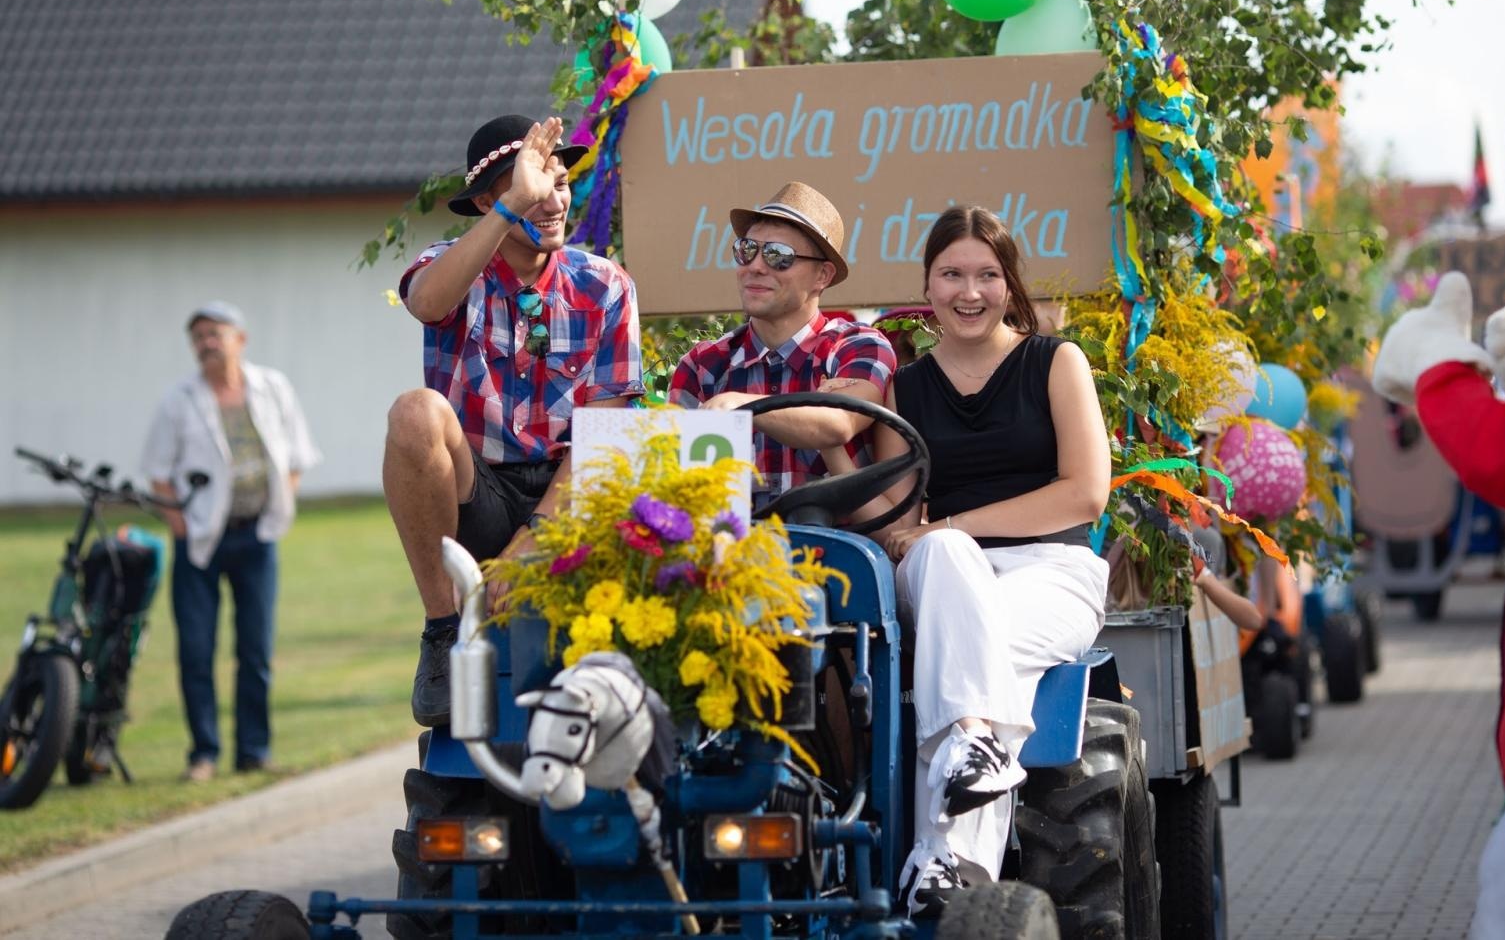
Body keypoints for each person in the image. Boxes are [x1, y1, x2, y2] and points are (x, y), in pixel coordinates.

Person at [838, 205, 1112, 916]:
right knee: (951, 564)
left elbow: (1083, 493)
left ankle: (949, 856)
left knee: (972, 657)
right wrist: (835, 454)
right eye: (952, 273)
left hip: (1050, 572)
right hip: (944, 575)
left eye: (987, 274)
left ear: (1010, 283)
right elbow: (900, 525)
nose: (970, 291)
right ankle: (958, 860)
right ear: (926, 286)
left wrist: (951, 522)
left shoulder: (1055, 362)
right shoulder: (906, 388)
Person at [385, 114, 644, 728]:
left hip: (569, 497)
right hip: (480, 491)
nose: (553, 200)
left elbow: (602, 437)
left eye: (559, 182)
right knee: (414, 412)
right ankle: (443, 630)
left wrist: (532, 544)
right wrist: (512, 209)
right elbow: (424, 302)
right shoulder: (450, 266)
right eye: (531, 186)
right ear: (485, 202)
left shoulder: (605, 284)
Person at [141, 301, 319, 781]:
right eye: (197, 336)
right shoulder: (179, 400)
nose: (205, 343)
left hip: (257, 536)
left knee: (255, 650)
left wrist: (280, 506)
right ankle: (203, 753)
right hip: (200, 541)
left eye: (214, 333)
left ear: (240, 338)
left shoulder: (272, 388)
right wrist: (183, 528)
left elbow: (297, 455)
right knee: (197, 651)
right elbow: (159, 476)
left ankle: (253, 752)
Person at [668, 181, 896, 505]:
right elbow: (679, 487)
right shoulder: (702, 365)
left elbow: (838, 423)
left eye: (779, 256)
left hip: (839, 550)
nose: (756, 266)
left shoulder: (857, 347)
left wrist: (742, 406)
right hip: (730, 549)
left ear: (823, 276)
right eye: (746, 249)